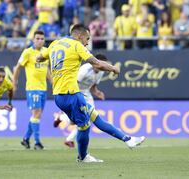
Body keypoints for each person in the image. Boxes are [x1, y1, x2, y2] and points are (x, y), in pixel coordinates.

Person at [37, 24, 145, 163]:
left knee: (94, 117)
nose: (87, 42)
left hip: (58, 95)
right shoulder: (77, 46)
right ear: (80, 36)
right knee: (85, 126)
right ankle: (83, 157)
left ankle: (127, 139)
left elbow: (40, 57)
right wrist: (113, 68)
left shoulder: (55, 43)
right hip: (72, 94)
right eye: (87, 38)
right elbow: (97, 64)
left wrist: (45, 62)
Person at [53, 54, 107, 148]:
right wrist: (72, 98)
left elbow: (93, 87)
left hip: (87, 94)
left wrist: (98, 93)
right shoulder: (85, 69)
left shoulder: (101, 72)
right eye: (101, 64)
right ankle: (61, 118)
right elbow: (74, 83)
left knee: (88, 118)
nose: (102, 67)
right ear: (96, 62)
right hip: (76, 92)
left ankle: (68, 139)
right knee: (74, 120)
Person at [13, 30, 48, 150]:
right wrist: (14, 83)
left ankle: (26, 139)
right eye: (37, 38)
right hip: (33, 88)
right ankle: (37, 142)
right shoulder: (28, 52)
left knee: (37, 115)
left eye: (42, 39)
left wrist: (54, 82)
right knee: (36, 114)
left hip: (43, 88)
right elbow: (17, 68)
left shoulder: (45, 51)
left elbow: (47, 70)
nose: (40, 41)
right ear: (33, 40)